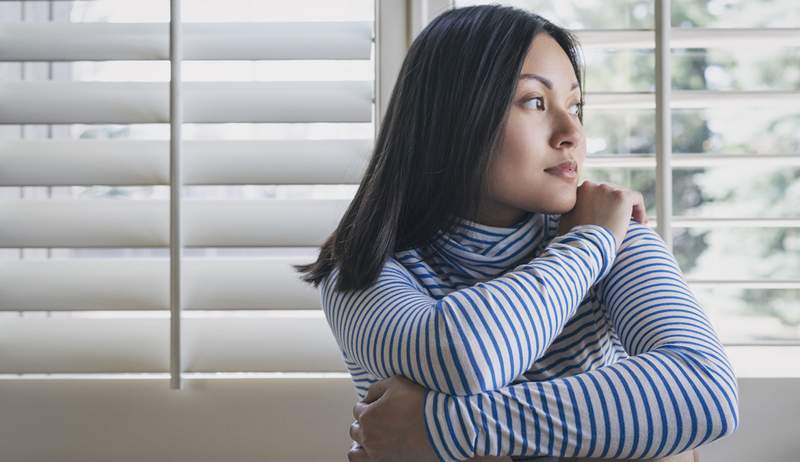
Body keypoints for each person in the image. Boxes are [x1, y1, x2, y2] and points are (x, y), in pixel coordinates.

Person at [294, 5, 739, 462]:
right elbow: (465, 358)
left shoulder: (615, 232)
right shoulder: (363, 270)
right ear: (454, 116)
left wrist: (440, 427)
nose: (572, 133)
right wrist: (587, 247)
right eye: (534, 101)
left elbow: (706, 391)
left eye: (575, 105)